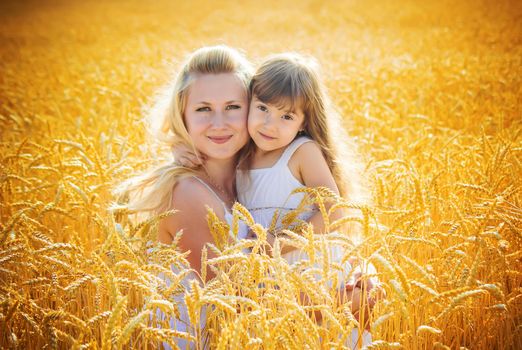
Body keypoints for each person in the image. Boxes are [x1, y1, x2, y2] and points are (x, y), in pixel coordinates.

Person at [175, 53, 381, 348]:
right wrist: (179, 152)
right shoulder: (243, 155)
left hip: (315, 272)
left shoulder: (301, 151)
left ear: (303, 122)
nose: (270, 125)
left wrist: (280, 244)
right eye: (262, 109)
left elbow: (334, 209)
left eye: (286, 116)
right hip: (277, 280)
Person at [115, 45, 253, 349]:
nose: (219, 123)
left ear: (254, 110)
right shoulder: (187, 193)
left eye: (233, 107)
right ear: (182, 116)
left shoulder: (254, 179)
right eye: (203, 109)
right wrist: (337, 299)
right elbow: (236, 301)